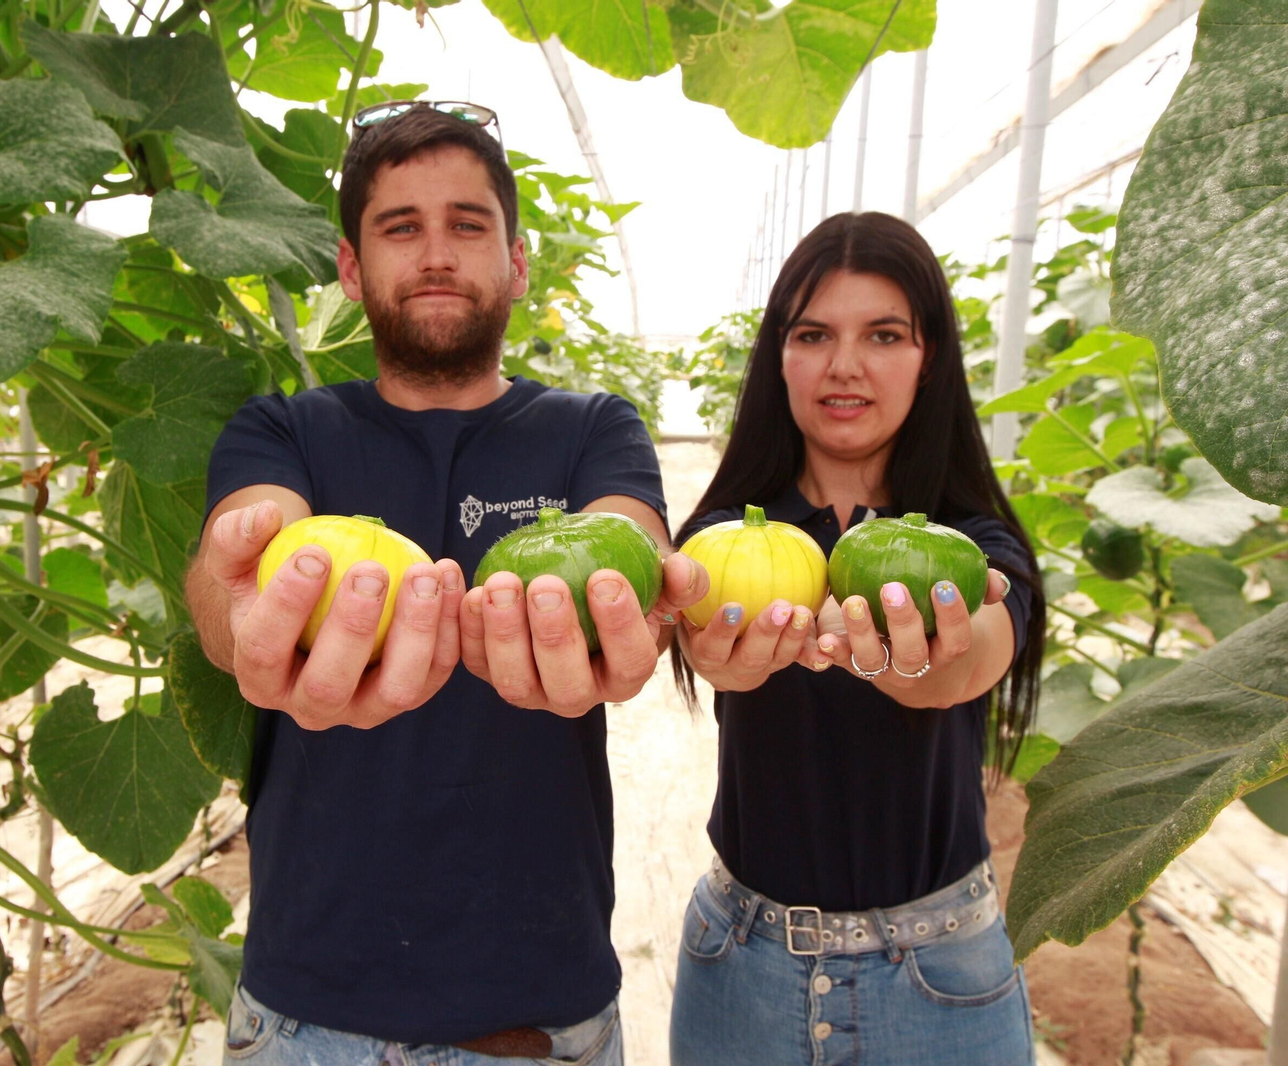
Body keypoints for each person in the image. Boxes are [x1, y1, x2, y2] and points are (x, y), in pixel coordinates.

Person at [183, 101, 705, 1066]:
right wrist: (245, 612)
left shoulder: (593, 428)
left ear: (516, 262)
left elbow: (626, 546)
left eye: (468, 225)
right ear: (350, 267)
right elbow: (236, 575)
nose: (435, 252)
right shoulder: (285, 430)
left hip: (540, 1016)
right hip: (305, 1016)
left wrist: (623, 619)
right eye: (400, 227)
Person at [665, 211, 1045, 1066]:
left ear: (929, 358)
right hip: (742, 967)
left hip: (941, 978)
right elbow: (693, 634)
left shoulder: (971, 545)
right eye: (813, 334)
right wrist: (702, 645)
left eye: (883, 334)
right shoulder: (724, 537)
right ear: (779, 357)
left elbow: (968, 662)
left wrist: (916, 657)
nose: (845, 365)